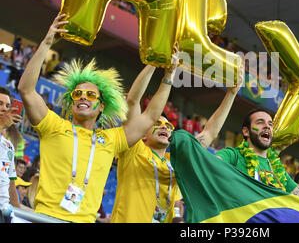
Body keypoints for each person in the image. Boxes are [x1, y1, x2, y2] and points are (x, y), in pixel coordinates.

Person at [17, 13, 179, 223]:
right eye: (77, 94)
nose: (83, 97)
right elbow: (26, 90)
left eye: (91, 95)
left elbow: (150, 117)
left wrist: (169, 75)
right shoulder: (53, 126)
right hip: (47, 218)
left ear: (101, 106)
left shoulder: (110, 140)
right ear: (71, 101)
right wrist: (47, 42)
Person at [111, 62, 243, 223]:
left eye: (168, 126)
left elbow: (209, 133)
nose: (164, 128)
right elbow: (132, 101)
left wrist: (231, 94)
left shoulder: (176, 162)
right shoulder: (133, 148)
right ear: (142, 134)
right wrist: (155, 62)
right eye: (157, 124)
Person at [0, 86, 22, 222]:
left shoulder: (8, 146)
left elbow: (11, 185)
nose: (4, 108)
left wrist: (17, 216)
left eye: (8, 105)